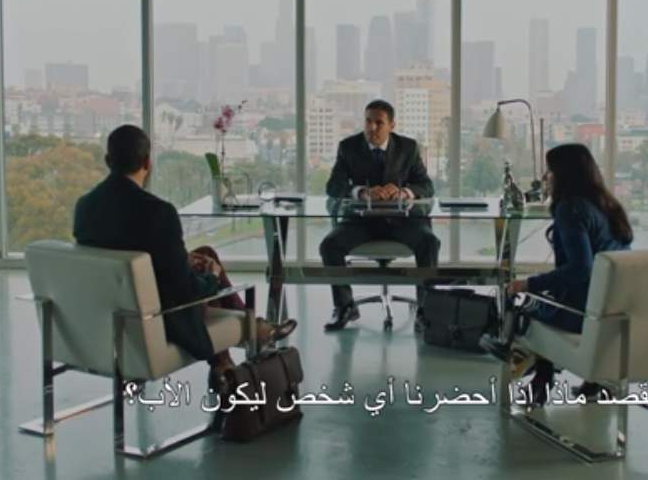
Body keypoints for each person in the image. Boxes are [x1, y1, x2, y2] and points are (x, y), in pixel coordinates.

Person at [73, 125, 296, 389]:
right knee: (209, 267)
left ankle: (226, 362)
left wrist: (181, 258)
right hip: (158, 318)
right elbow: (186, 292)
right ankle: (255, 332)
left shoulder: (84, 207)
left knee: (205, 253)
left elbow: (125, 254)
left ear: (108, 161)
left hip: (110, 316)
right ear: (147, 162)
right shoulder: (158, 212)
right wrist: (212, 277)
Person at [482, 143, 633, 402]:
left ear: (564, 175)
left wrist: (527, 284)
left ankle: (536, 374)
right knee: (545, 297)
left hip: (585, 314)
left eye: (550, 171)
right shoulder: (608, 205)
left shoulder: (570, 209)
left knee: (522, 305)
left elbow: (580, 269)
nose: (546, 177)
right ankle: (585, 383)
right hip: (618, 311)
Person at [320, 99, 440, 332]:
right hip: (361, 221)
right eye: (368, 121)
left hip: (401, 221)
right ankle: (345, 307)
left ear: (391, 125)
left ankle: (426, 311)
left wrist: (404, 192)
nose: (372, 128)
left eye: (379, 123)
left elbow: (426, 186)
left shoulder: (408, 147)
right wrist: (361, 192)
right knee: (329, 246)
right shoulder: (348, 146)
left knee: (429, 243)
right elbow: (333, 186)